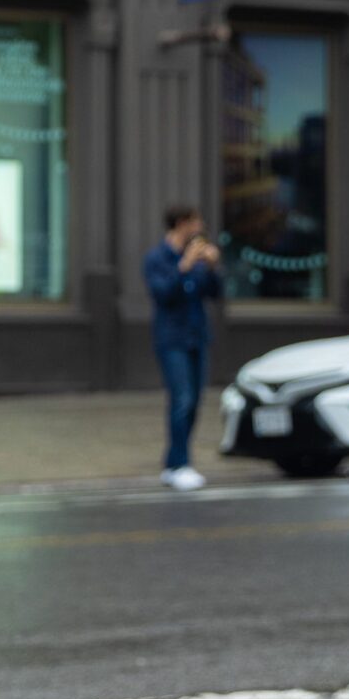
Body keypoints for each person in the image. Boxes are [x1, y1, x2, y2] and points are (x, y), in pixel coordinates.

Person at [143, 205, 224, 492]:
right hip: (171, 339)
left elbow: (215, 294)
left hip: (196, 337)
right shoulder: (157, 258)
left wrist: (213, 267)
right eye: (195, 222)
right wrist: (184, 266)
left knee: (194, 402)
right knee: (181, 399)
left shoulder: (200, 259)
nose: (200, 227)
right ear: (181, 224)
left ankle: (173, 461)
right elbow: (162, 294)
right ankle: (181, 465)